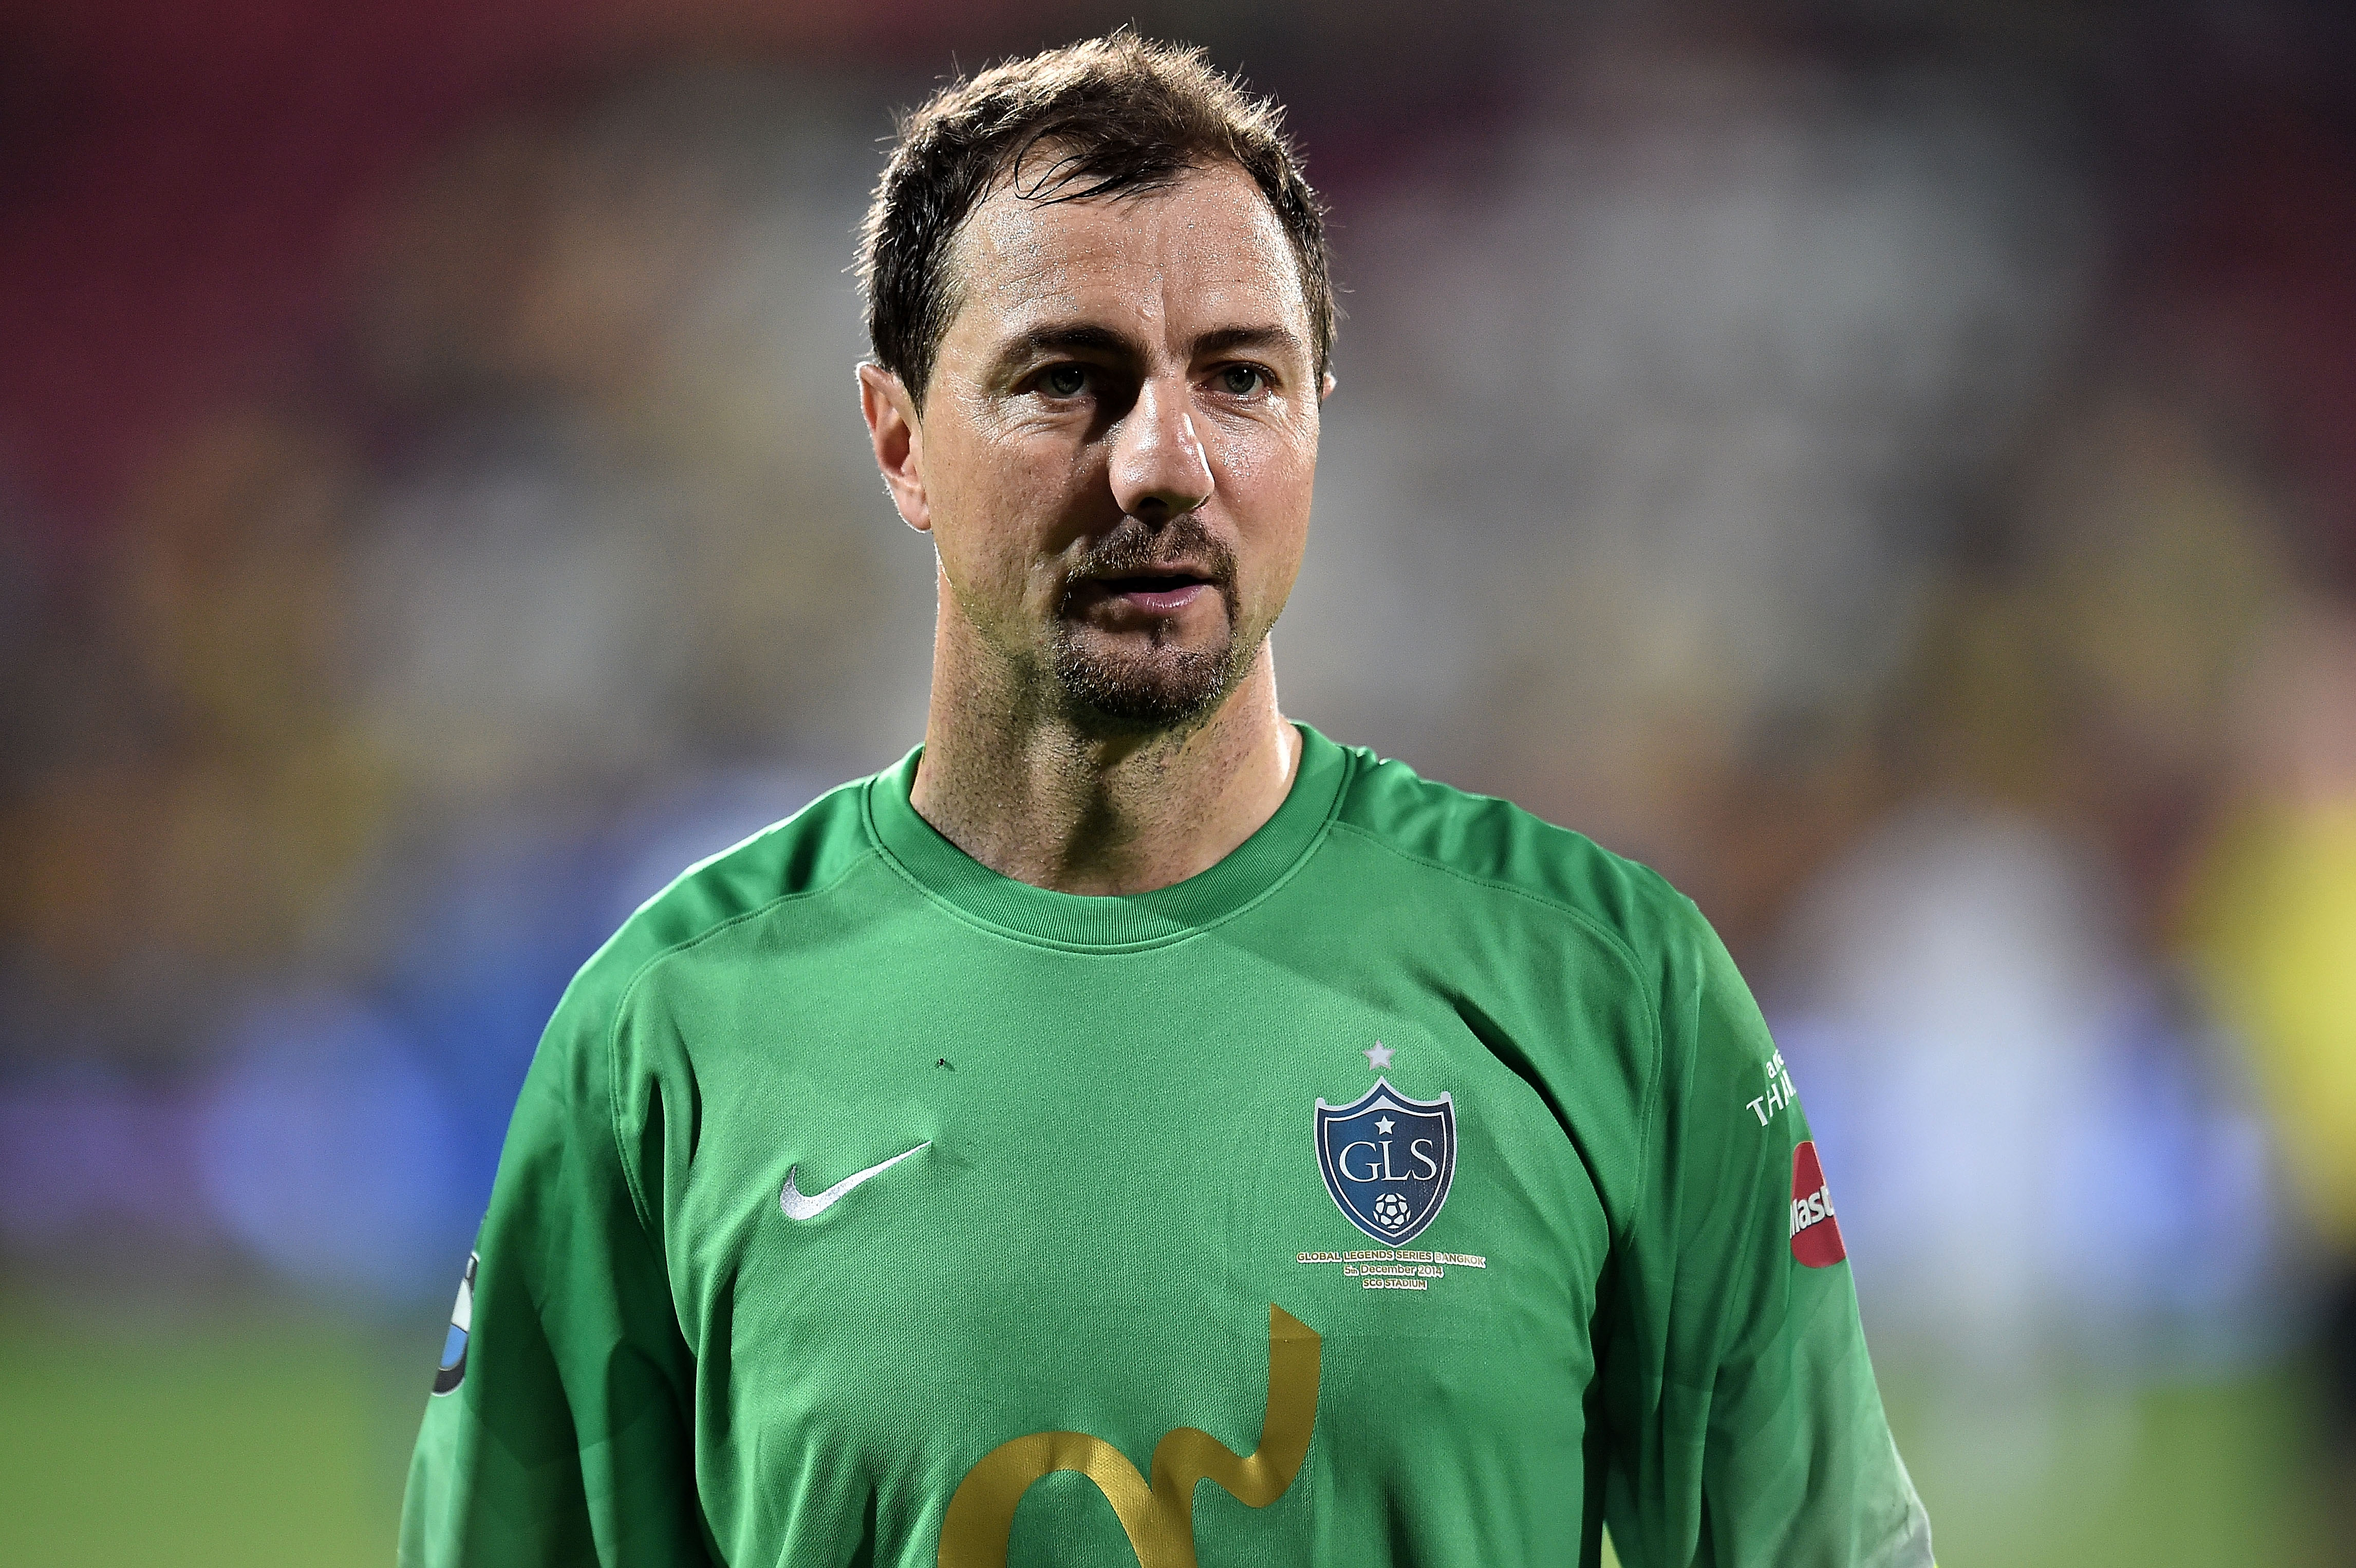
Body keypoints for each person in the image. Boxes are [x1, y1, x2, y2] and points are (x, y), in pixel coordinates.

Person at [400, 33, 1933, 1568]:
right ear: (895, 437)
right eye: (1067, 378)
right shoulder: (669, 1035)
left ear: (1317, 419)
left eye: (1241, 378)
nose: (1162, 462)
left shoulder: (1610, 991)